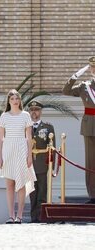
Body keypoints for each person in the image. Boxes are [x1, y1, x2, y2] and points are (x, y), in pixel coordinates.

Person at [0, 89, 36, 224]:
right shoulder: (4, 116)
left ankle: (19, 216)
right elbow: (0, 139)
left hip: (21, 149)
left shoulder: (25, 115)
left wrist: (29, 156)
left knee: (20, 184)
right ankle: (11, 216)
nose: (15, 101)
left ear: (20, 101)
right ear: (9, 101)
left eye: (17, 98)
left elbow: (29, 137)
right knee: (9, 185)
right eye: (12, 99)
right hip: (7, 150)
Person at [63, 56, 95, 204]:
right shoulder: (84, 86)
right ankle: (93, 194)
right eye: (92, 67)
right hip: (89, 126)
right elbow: (66, 91)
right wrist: (76, 75)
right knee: (90, 161)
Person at [28, 100, 55, 223]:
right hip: (29, 164)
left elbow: (52, 148)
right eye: (32, 110)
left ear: (41, 112)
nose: (34, 112)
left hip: (42, 164)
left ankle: (41, 216)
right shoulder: (25, 127)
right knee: (32, 192)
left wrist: (52, 166)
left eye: (37, 110)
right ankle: (33, 216)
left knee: (42, 191)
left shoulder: (48, 127)